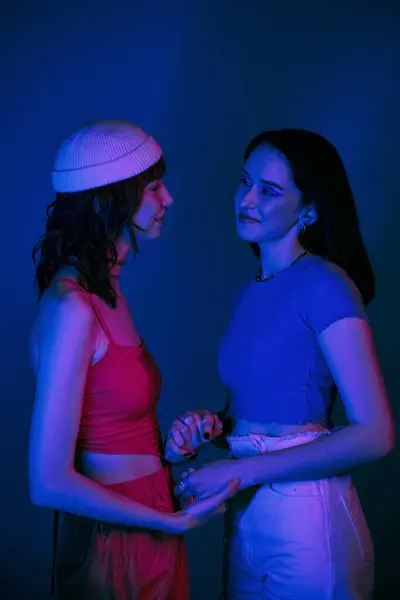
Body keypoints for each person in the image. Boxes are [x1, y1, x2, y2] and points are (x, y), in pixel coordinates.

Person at [169, 129, 395, 599]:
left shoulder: (327, 285)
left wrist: (239, 472)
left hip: (305, 517)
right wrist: (209, 427)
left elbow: (376, 433)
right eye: (244, 182)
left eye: (269, 190)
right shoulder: (248, 292)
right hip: (246, 513)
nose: (247, 199)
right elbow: (263, 402)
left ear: (308, 210)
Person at [28, 119, 238, 600]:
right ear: (111, 199)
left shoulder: (109, 292)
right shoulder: (71, 307)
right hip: (115, 541)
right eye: (154, 188)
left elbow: (110, 433)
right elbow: (47, 482)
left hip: (150, 523)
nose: (169, 200)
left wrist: (172, 452)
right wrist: (172, 520)